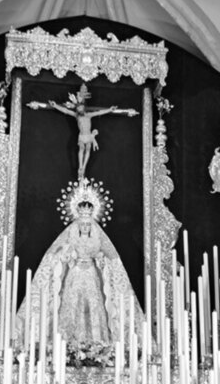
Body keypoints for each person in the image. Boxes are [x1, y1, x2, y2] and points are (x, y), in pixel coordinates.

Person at [15, 182, 144, 350]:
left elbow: (110, 257)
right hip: (75, 275)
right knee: (72, 304)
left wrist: (102, 260)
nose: (84, 226)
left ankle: (97, 344)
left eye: (87, 224)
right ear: (77, 222)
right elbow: (57, 254)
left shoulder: (98, 238)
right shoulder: (71, 236)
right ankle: (67, 343)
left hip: (90, 274)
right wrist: (67, 254)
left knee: (94, 304)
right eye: (82, 223)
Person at [28, 83, 137, 180]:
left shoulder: (89, 115)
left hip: (88, 135)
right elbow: (65, 110)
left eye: (80, 109)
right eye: (77, 109)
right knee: (81, 149)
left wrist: (110, 110)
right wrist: (55, 105)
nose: (79, 110)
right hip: (81, 135)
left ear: (83, 109)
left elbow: (100, 112)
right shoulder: (76, 116)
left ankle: (84, 167)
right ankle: (80, 166)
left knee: (88, 150)